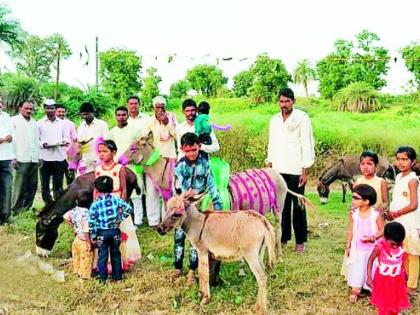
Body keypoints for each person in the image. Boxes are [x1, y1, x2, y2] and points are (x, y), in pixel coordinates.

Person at [267, 87, 315, 253]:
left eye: (287, 101)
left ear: (293, 101)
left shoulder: (302, 118)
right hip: (279, 168)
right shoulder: (274, 120)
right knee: (282, 205)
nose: (284, 104)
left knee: (298, 204)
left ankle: (300, 241)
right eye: (281, 101)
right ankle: (284, 237)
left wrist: (304, 170)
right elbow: (271, 143)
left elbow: (306, 144)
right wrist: (270, 164)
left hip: (296, 168)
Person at [172, 132, 223, 283]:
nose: (191, 153)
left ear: (199, 147)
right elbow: (177, 187)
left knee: (196, 238)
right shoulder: (180, 166)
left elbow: (211, 184)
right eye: (187, 151)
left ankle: (192, 270)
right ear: (182, 149)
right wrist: (184, 195)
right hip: (183, 204)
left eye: (194, 150)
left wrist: (218, 204)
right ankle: (178, 266)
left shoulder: (205, 163)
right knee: (179, 236)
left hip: (200, 204)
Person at [94, 139, 141, 271]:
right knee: (103, 232)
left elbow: (124, 189)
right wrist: (95, 205)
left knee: (120, 232)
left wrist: (121, 205)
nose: (101, 154)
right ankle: (105, 263)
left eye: (105, 151)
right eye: (99, 152)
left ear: (113, 152)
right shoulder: (97, 168)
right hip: (102, 205)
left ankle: (122, 261)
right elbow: (95, 189)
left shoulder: (119, 168)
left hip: (116, 203)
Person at [386, 146, 420, 296]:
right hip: (397, 220)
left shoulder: (413, 180)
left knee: (412, 252)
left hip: (409, 221)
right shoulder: (399, 177)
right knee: (402, 251)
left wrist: (396, 213)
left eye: (405, 159)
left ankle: (411, 285)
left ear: (412, 162)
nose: (400, 162)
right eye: (398, 159)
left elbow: (413, 204)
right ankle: (404, 279)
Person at [345, 184, 384, 303]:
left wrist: (373, 237)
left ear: (366, 201)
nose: (353, 200)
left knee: (371, 268)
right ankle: (356, 289)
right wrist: (348, 245)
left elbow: (382, 230)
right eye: (352, 197)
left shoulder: (376, 215)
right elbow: (351, 229)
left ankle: (372, 288)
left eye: (356, 198)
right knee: (358, 267)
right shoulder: (354, 214)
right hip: (358, 249)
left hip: (372, 249)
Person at [88, 176, 132, 282]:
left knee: (102, 256)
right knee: (116, 254)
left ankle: (103, 278)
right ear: (112, 187)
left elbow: (92, 222)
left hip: (101, 233)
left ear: (97, 189)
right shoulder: (116, 200)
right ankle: (118, 277)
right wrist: (119, 218)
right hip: (115, 231)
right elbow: (129, 208)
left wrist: (93, 235)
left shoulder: (95, 205)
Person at [142, 96, 177, 226]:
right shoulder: (150, 121)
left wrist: (167, 122)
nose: (160, 109)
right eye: (157, 107)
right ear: (154, 108)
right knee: (152, 192)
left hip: (169, 160)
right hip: (154, 161)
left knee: (167, 191)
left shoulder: (172, 117)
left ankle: (166, 218)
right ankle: (153, 221)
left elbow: (177, 134)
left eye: (162, 106)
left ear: (165, 107)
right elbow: (144, 138)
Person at [108, 106, 144, 227]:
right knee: (119, 192)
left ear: (127, 115)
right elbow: (109, 150)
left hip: (134, 166)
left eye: (123, 115)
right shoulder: (111, 132)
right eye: (118, 115)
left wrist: (138, 162)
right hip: (118, 167)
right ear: (115, 116)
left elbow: (141, 148)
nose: (121, 117)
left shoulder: (136, 130)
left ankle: (138, 220)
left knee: (136, 194)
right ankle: (122, 219)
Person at [367, 222, 410, 314]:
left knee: (395, 302)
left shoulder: (401, 247)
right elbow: (370, 260)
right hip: (383, 281)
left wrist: (405, 273)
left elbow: (402, 260)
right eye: (393, 244)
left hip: (397, 281)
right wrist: (369, 277)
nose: (396, 246)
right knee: (384, 305)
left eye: (398, 244)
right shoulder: (379, 247)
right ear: (385, 238)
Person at [37, 99, 69, 205]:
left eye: (52, 108)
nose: (50, 110)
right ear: (44, 109)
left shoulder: (63, 123)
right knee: (45, 184)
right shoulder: (39, 123)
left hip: (59, 157)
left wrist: (64, 142)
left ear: (55, 109)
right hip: (45, 158)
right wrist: (43, 144)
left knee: (58, 183)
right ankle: (48, 204)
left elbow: (66, 137)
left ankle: (58, 205)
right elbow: (36, 140)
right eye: (47, 108)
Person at [11, 100, 39, 214]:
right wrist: (13, 157)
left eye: (31, 109)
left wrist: (39, 156)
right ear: (20, 108)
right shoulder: (13, 121)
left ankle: (27, 208)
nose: (29, 111)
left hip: (33, 158)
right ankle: (15, 209)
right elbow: (11, 141)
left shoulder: (34, 122)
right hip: (20, 157)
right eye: (26, 108)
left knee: (32, 185)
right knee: (19, 185)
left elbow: (36, 140)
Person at [63, 192, 93, 279]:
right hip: (84, 240)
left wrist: (73, 227)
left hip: (77, 239)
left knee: (77, 256)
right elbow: (86, 231)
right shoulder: (87, 214)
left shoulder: (74, 211)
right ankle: (83, 276)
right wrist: (88, 243)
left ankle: (77, 271)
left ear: (76, 201)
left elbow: (65, 217)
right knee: (86, 258)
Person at [77, 102, 109, 175]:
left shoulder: (102, 124)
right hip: (85, 161)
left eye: (87, 114)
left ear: (92, 113)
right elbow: (79, 144)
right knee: (82, 183)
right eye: (83, 114)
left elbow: (107, 142)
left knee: (98, 184)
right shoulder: (81, 127)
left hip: (99, 160)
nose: (85, 116)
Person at [0, 100, 15, 225]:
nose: (0, 104)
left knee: (7, 188)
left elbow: (12, 135)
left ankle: (6, 216)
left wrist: (10, 137)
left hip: (6, 158)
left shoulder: (6, 117)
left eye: (0, 102)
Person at [56, 104, 78, 185]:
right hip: (56, 157)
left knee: (70, 180)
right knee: (57, 180)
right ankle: (58, 196)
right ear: (55, 112)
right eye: (59, 112)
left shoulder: (70, 124)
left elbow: (75, 140)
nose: (61, 113)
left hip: (69, 157)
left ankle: (70, 196)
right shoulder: (51, 124)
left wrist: (74, 155)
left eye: (63, 112)